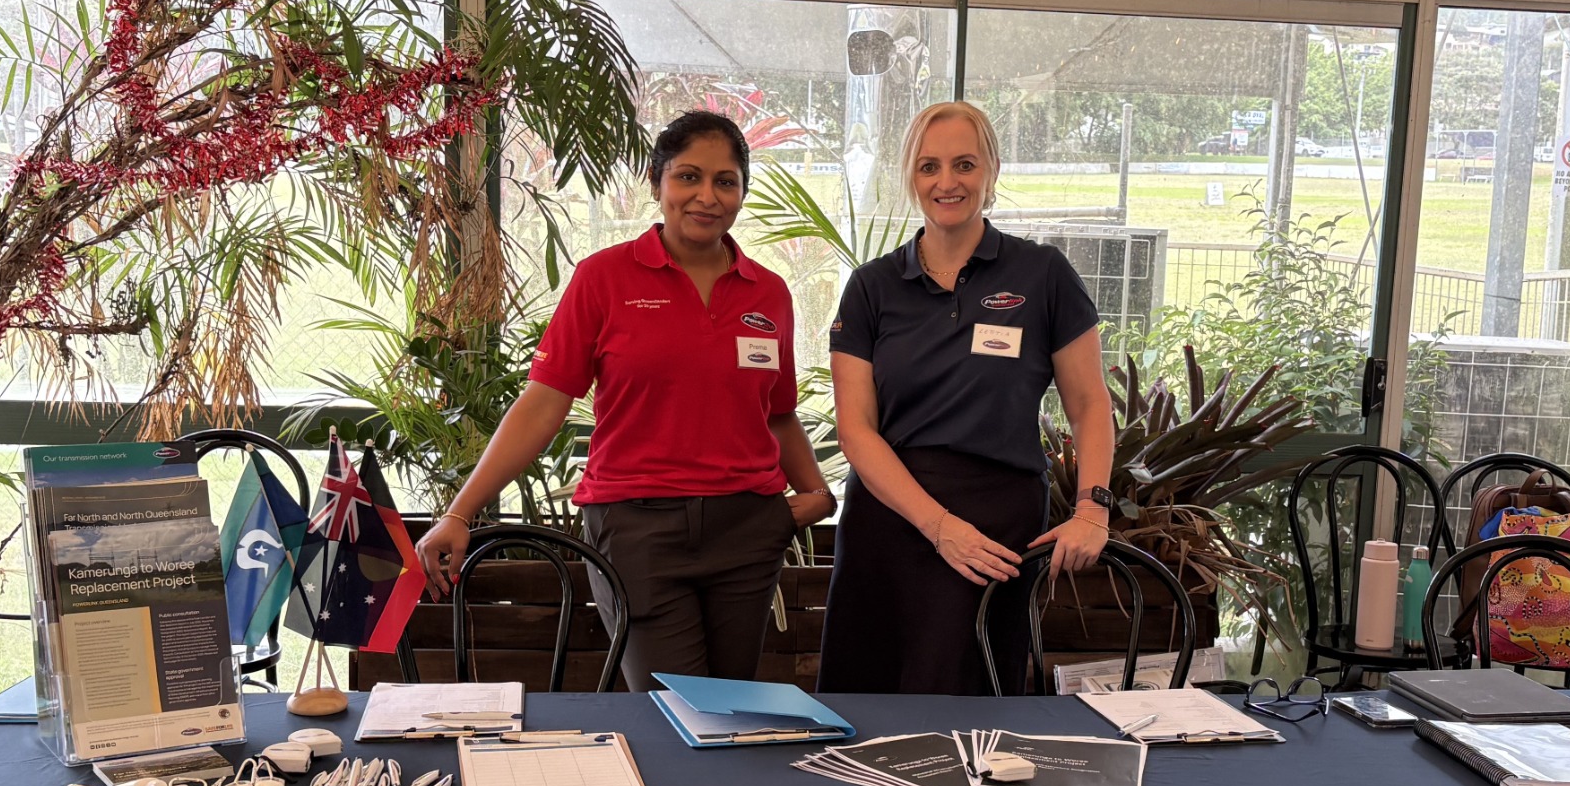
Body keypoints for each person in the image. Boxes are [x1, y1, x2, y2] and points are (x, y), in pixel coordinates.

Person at [415, 111, 836, 690]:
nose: (707, 196)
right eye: (688, 177)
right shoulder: (604, 278)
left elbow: (778, 412)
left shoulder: (768, 292)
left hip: (747, 529)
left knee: (732, 706)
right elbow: (542, 404)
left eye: (725, 181)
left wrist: (815, 494)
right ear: (657, 182)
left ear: (742, 191)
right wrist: (459, 513)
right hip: (639, 530)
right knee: (672, 703)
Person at [817, 100, 1118, 694]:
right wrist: (937, 525)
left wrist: (1093, 511)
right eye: (928, 166)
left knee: (969, 705)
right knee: (868, 702)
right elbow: (855, 429)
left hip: (995, 524)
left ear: (991, 170)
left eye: (964, 164)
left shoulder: (1043, 274)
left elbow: (1089, 405)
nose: (946, 182)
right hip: (890, 517)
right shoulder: (872, 287)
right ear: (910, 176)